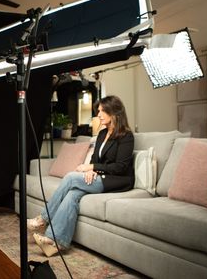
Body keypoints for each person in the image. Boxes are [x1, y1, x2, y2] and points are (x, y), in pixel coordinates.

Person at [27, 95, 135, 257]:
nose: (98, 115)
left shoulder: (126, 136)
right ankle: (54, 242)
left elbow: (120, 167)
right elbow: (95, 159)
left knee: (71, 178)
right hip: (100, 176)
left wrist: (92, 167)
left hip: (117, 180)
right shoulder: (102, 133)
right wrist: (92, 169)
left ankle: (43, 219)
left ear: (114, 113)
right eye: (98, 111)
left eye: (102, 111)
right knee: (72, 194)